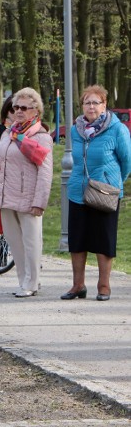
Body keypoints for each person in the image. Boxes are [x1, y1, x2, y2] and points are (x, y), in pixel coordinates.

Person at [62, 84, 131, 302]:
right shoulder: (76, 129)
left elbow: (127, 161)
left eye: (95, 102)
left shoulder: (117, 129)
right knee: (78, 240)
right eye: (87, 102)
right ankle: (78, 285)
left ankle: (104, 286)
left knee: (104, 240)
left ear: (104, 105)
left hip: (105, 192)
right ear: (81, 106)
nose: (91, 106)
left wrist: (115, 182)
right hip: (78, 190)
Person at [0, 87, 53, 298]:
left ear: (36, 111)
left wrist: (40, 202)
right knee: (14, 242)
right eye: (16, 107)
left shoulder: (41, 136)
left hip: (28, 197)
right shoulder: (9, 133)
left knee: (31, 242)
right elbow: (2, 156)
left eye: (24, 108)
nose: (19, 111)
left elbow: (45, 173)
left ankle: (32, 283)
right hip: (7, 195)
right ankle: (23, 280)